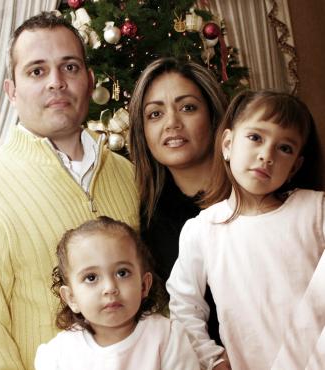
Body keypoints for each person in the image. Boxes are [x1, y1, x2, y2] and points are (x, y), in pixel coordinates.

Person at [0, 12, 139, 370]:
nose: (56, 82)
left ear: (89, 79)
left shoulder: (128, 175)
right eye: (37, 71)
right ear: (12, 91)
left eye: (69, 67)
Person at [166, 90, 325, 370]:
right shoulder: (203, 230)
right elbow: (183, 304)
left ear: (294, 167)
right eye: (256, 138)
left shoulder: (314, 210)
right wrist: (211, 358)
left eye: (284, 147)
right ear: (228, 144)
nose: (266, 155)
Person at [128, 56, 227, 344]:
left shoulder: (257, 194)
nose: (172, 123)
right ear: (142, 132)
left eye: (187, 107)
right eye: (155, 114)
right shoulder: (148, 221)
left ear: (213, 116)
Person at [34, 216, 200, 370]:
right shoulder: (58, 355)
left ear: (143, 286)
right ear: (72, 298)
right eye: (91, 278)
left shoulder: (166, 337)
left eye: (122, 273)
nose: (110, 288)